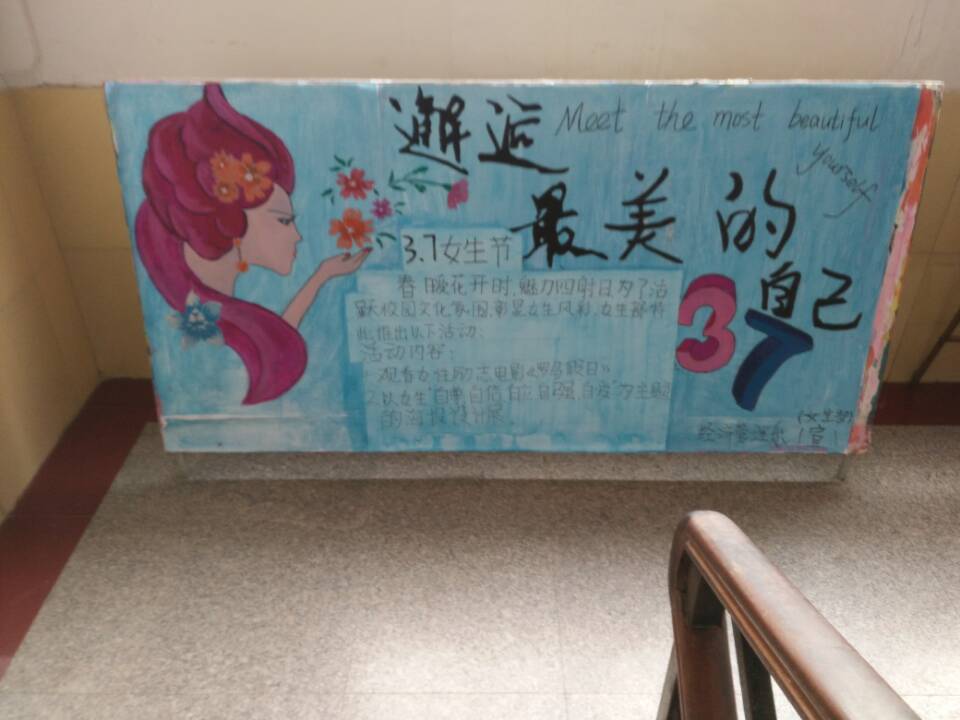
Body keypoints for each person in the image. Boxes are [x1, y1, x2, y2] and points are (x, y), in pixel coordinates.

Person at [136, 83, 369, 405]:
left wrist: (321, 276)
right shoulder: (205, 339)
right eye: (284, 221)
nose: (297, 235)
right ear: (233, 223)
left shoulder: (210, 304)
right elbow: (258, 353)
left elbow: (269, 342)